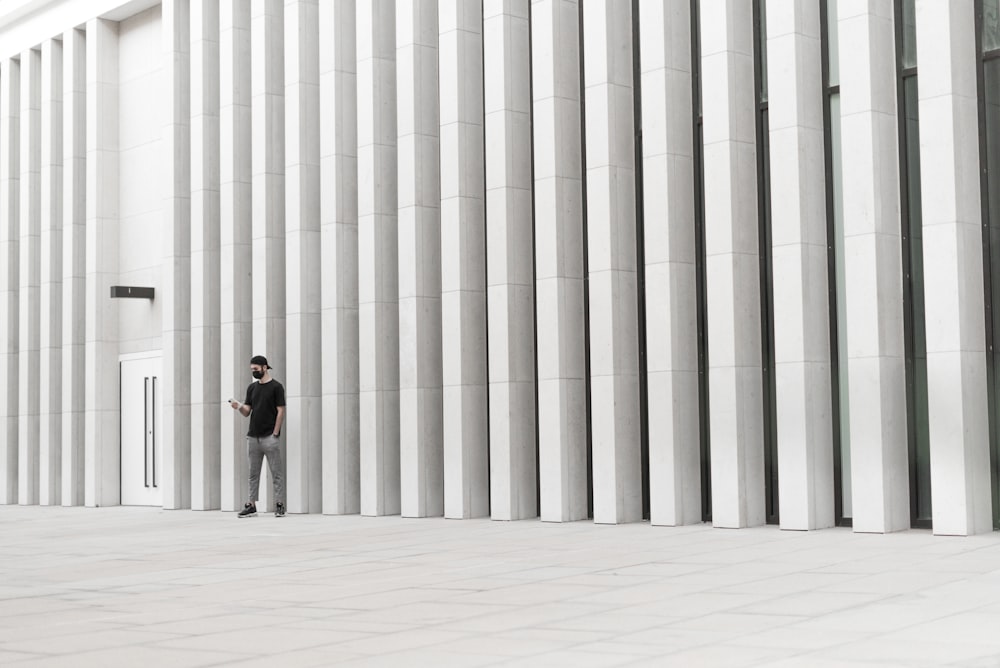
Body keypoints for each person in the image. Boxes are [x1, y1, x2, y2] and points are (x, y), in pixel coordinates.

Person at [230, 355, 286, 518]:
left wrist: (275, 433)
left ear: (264, 367)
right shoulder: (252, 388)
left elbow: (281, 410)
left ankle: (279, 504)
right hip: (253, 437)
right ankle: (251, 505)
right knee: (253, 473)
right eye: (252, 370)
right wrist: (238, 406)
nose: (254, 372)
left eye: (256, 369)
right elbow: (247, 412)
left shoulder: (276, 387)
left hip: (270, 437)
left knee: (276, 473)